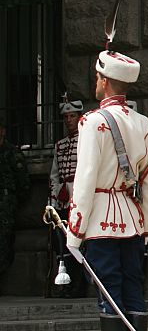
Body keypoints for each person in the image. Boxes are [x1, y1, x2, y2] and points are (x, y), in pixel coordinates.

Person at [68, 49, 148, 331]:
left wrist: (75, 230)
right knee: (134, 293)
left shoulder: (92, 122)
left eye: (97, 77)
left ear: (104, 81)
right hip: (132, 219)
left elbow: (86, 178)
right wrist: (146, 226)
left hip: (102, 219)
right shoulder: (145, 124)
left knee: (110, 294)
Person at [48, 98, 86, 297]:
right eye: (66, 117)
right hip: (62, 199)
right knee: (61, 245)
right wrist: (53, 200)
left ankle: (78, 286)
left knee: (77, 244)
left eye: (72, 116)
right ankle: (66, 284)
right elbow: (55, 174)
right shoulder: (59, 145)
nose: (69, 120)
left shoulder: (86, 140)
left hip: (78, 197)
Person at [0, 115, 29, 282]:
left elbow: (23, 183)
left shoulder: (12, 153)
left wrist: (11, 201)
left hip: (5, 205)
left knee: (4, 241)